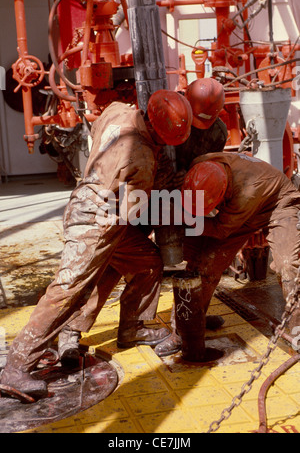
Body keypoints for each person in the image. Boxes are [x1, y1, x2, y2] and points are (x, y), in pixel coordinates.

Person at [0, 90, 193, 397]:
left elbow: (98, 129)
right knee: (69, 289)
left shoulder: (118, 111)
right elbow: (135, 209)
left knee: (147, 263)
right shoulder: (142, 155)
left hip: (93, 201)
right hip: (99, 220)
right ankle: (16, 367)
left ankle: (133, 328)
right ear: (158, 132)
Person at [175, 151, 300, 361]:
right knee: (206, 265)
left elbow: (221, 230)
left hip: (278, 204)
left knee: (288, 264)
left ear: (222, 193)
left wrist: (183, 222)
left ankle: (297, 326)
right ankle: (193, 323)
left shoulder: (245, 195)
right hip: (239, 208)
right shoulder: (201, 164)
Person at [154, 78, 228, 357]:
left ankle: (193, 317)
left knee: (197, 261)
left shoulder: (217, 131)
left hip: (195, 200)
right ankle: (179, 329)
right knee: (176, 264)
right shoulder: (171, 117)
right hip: (164, 198)